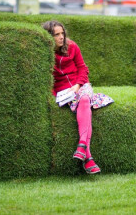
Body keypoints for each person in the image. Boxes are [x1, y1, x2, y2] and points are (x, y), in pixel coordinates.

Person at [43, 20, 105, 174]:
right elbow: (47, 80)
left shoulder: (72, 46)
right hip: (63, 93)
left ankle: (82, 145)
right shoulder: (45, 54)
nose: (61, 37)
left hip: (81, 86)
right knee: (82, 103)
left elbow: (83, 68)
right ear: (49, 37)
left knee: (84, 99)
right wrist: (55, 96)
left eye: (62, 33)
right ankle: (88, 157)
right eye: (56, 35)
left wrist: (77, 86)